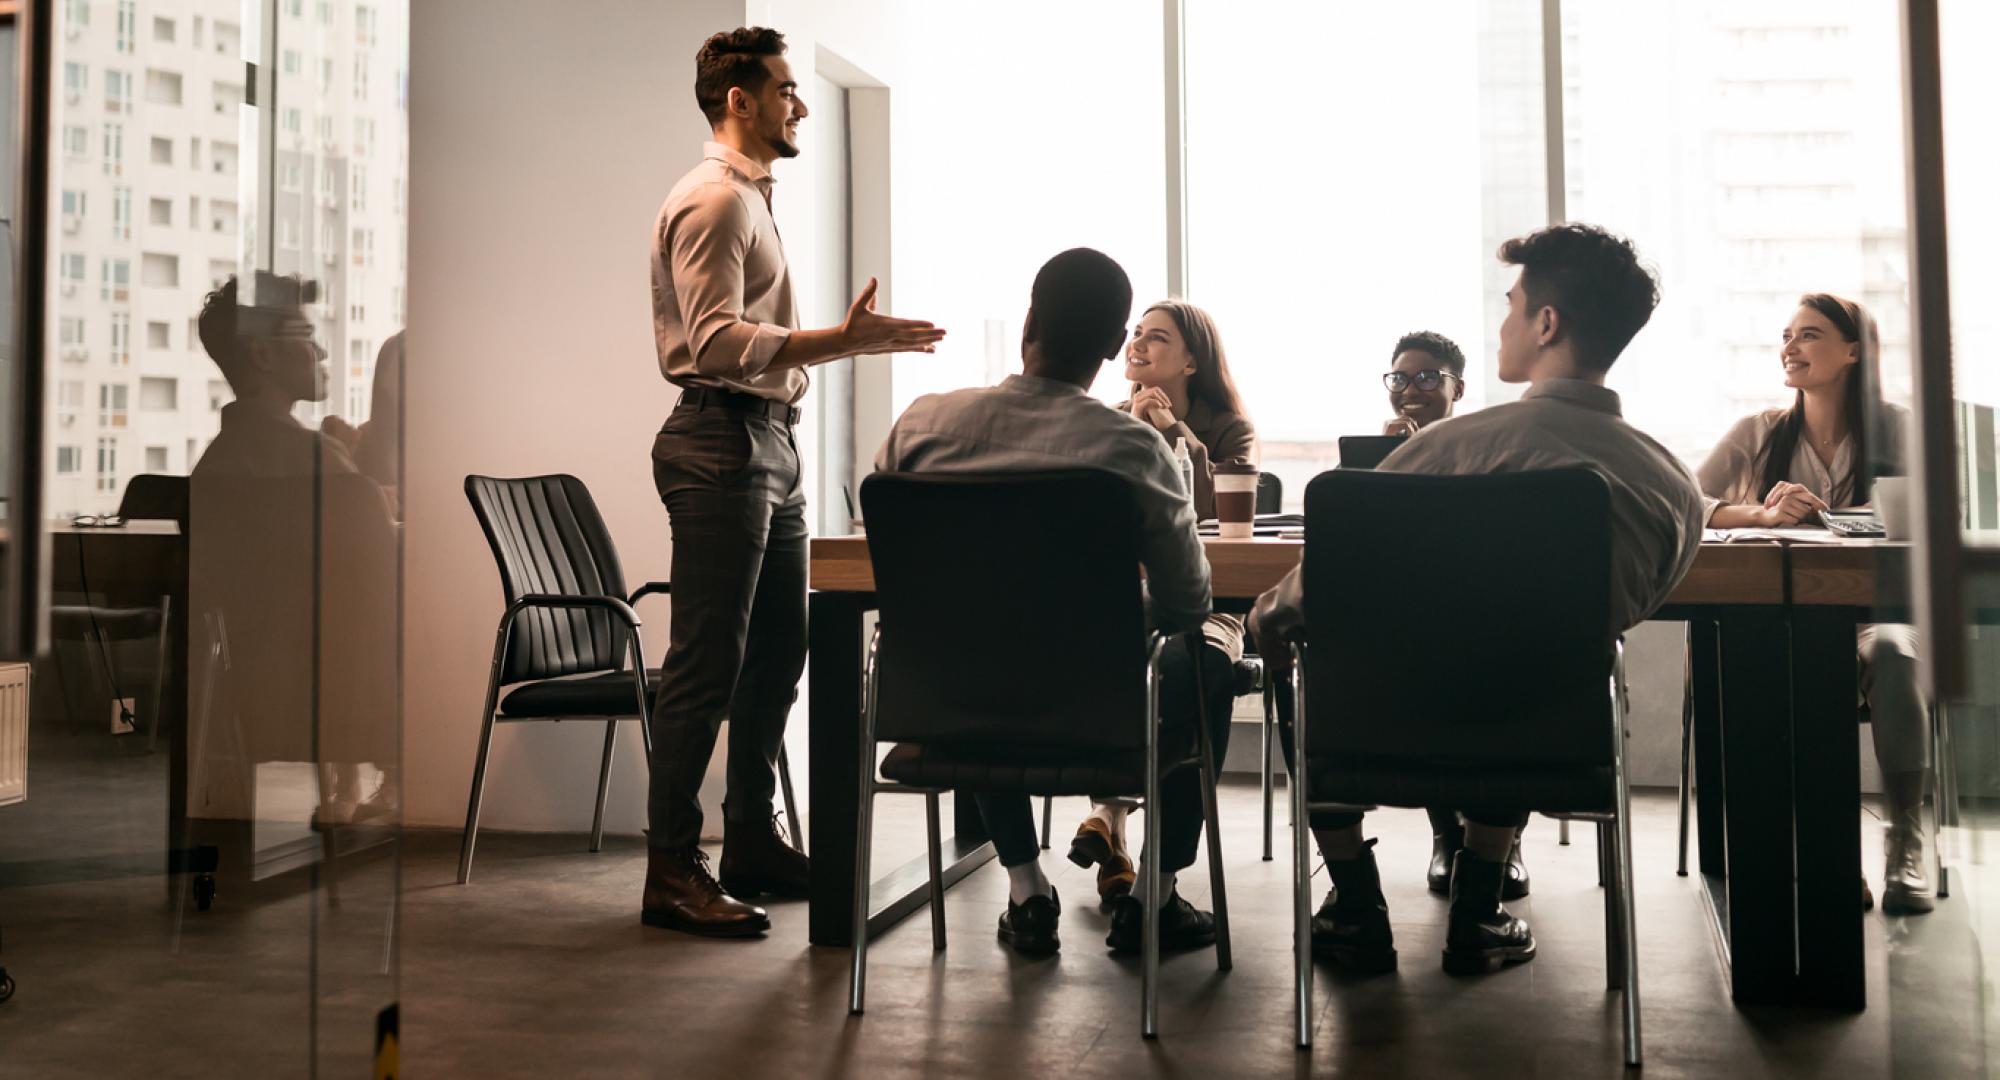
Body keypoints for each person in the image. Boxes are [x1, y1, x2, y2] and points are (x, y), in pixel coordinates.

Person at [1252, 224, 1704, 976]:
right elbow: (1617, 613)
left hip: (1377, 727)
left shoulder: (1439, 451)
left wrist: (1268, 624)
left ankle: (1356, 904)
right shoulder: (1673, 488)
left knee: (1298, 658)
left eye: (1512, 304)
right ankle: (1478, 906)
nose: (1503, 322)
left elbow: (1306, 597)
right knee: (1531, 666)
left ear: (1546, 324)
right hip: (1545, 739)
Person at [643, 26, 946, 939]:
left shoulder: (750, 200)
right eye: (784, 88)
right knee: (707, 663)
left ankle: (749, 844)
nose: (799, 102)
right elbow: (715, 342)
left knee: (779, 649)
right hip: (721, 442)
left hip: (768, 441)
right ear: (740, 100)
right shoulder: (715, 204)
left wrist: (831, 352)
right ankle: (670, 870)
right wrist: (843, 342)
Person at [875, 248, 1230, 957]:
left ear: (1028, 322)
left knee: (980, 653)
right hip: (1100, 713)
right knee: (1209, 657)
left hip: (950, 704)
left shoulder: (919, 427)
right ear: (1110, 346)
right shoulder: (1135, 449)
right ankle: (1154, 897)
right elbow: (1189, 602)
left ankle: (1026, 888)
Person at [1696, 293, 1929, 915]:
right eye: (1787, 335)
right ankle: (1824, 847)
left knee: (1890, 650)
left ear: (1855, 352)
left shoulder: (1901, 429)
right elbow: (1683, 504)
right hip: (1784, 619)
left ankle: (1906, 838)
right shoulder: (1758, 432)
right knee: (1787, 665)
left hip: (1879, 614)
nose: (1790, 347)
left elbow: (1942, 519)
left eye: (1810, 335)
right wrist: (1760, 512)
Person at [1066, 300, 1253, 909]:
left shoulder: (1228, 429)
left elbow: (1214, 522)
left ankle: (1113, 823)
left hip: (1207, 601)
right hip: (1121, 605)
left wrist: (1175, 436)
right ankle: (1117, 835)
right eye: (1136, 335)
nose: (1137, 346)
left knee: (1187, 661)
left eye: (1158, 338)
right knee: (1130, 656)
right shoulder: (1104, 421)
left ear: (1193, 360)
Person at [1372, 329, 1532, 898]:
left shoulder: (1488, 446)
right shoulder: (1379, 453)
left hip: (1486, 608)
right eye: (1399, 377)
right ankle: (1446, 835)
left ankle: (1503, 842)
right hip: (1411, 614)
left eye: (1425, 377)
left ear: (1457, 387)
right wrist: (1389, 461)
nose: (1409, 388)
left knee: (1504, 675)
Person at [1381, 330, 1468, 435]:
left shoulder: (1478, 448)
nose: (1409, 392)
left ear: (1458, 389)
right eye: (1399, 379)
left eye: (1427, 379)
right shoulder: (1377, 450)